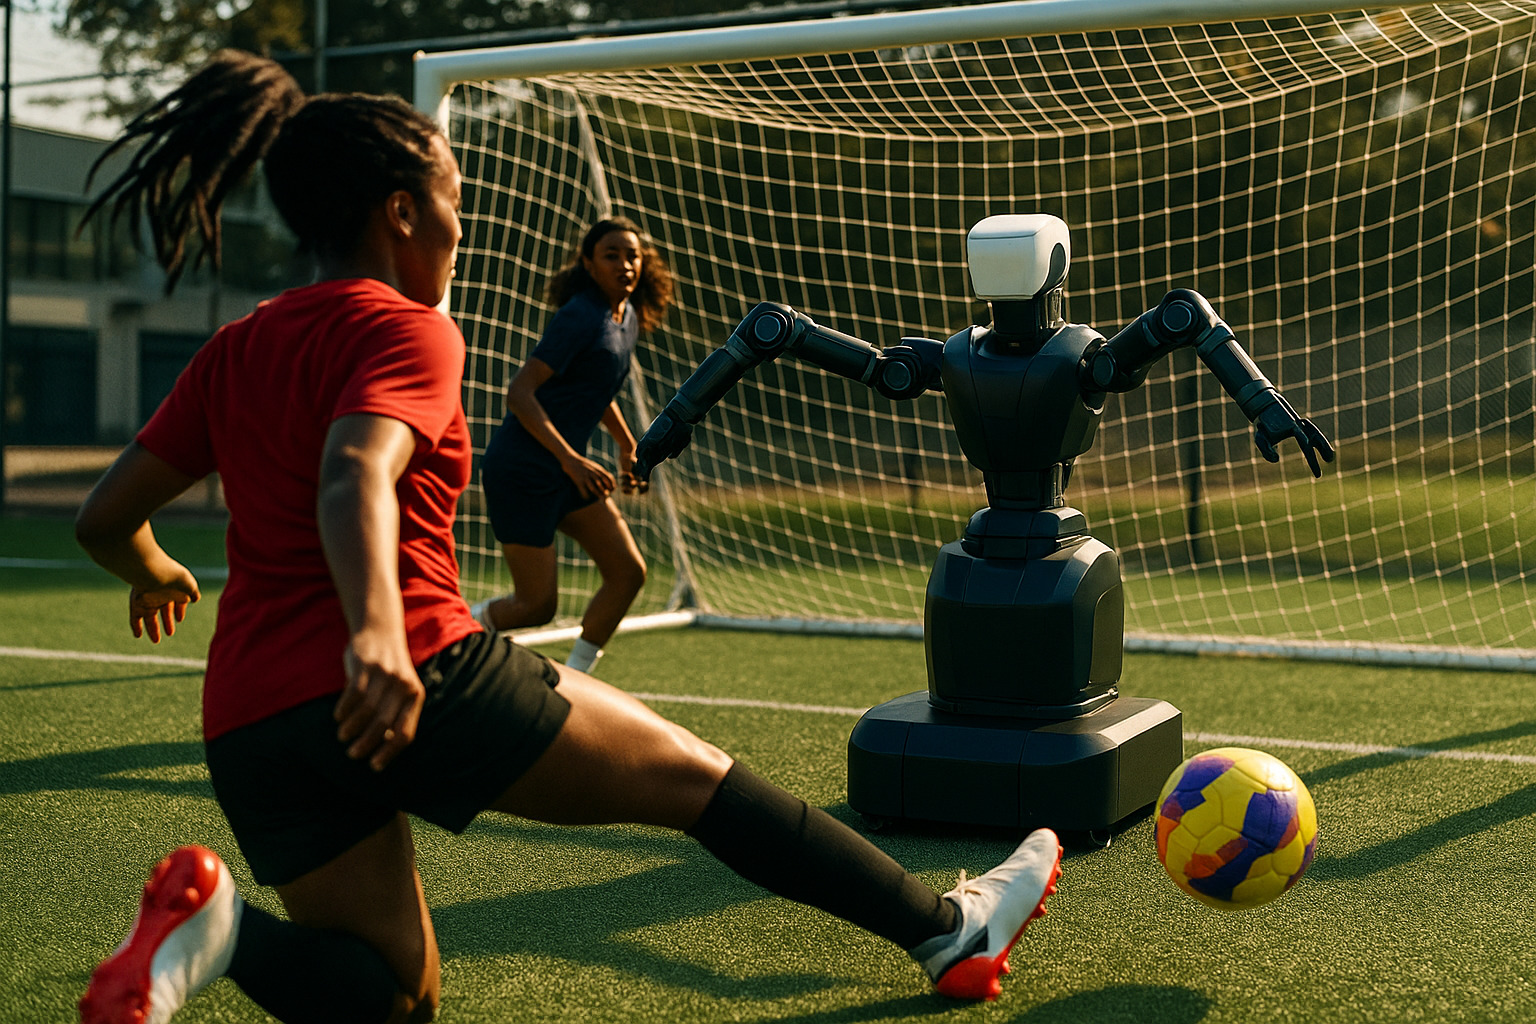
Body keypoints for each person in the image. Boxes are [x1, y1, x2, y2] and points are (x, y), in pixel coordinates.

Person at [72, 52, 1065, 1024]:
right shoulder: (406, 327)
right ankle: (950, 930)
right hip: (409, 673)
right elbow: (354, 469)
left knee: (395, 996)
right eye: (452, 197)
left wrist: (153, 567)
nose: (461, 228)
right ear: (403, 211)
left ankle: (223, 934)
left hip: (251, 721)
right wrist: (376, 635)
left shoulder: (237, 345)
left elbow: (105, 516)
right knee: (697, 778)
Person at [471, 216, 672, 674]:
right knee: (535, 606)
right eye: (611, 255)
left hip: (565, 470)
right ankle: (447, 633)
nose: (625, 264)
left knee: (627, 573)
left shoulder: (628, 317)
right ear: (588, 262)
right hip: (522, 470)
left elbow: (594, 391)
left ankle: (576, 679)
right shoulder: (579, 315)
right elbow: (520, 392)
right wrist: (572, 460)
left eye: (632, 255)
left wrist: (626, 445)